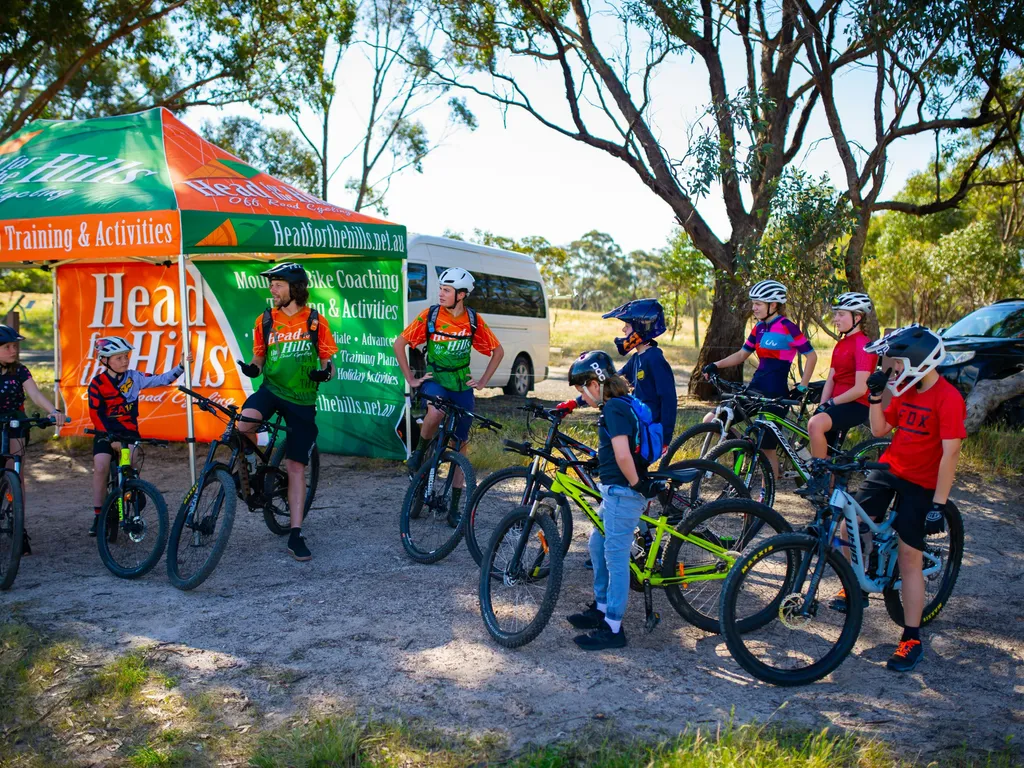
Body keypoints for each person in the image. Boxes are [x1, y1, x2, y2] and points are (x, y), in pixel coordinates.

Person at [852, 325, 965, 672]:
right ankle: (855, 583)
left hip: (923, 483)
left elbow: (950, 456)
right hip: (892, 468)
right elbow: (879, 430)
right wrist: (875, 398)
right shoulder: (906, 389)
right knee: (849, 523)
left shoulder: (948, 398)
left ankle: (912, 638)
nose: (892, 370)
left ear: (917, 362)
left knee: (908, 557)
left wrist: (939, 505)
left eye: (897, 364)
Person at [236, 262, 338, 562]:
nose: (272, 289)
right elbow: (259, 358)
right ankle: (260, 466)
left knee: (296, 466)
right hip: (272, 389)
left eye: (277, 284)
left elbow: (328, 362)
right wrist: (251, 368)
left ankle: (296, 533)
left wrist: (325, 374)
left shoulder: (316, 321)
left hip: (303, 399)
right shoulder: (266, 319)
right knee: (243, 425)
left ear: (295, 288)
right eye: (272, 284)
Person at [393, 268, 504, 525]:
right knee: (435, 412)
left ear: (461, 295)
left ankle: (454, 507)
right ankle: (419, 454)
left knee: (461, 444)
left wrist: (484, 381)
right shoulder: (430, 315)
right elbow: (399, 344)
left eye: (446, 290)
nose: (440, 294)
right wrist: (410, 378)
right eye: (440, 289)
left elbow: (497, 352)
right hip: (436, 380)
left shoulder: (473, 320)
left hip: (461, 384)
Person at [565, 350, 652, 651]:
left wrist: (637, 484)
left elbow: (623, 454)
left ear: (595, 383)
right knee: (597, 545)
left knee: (615, 558)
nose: (583, 398)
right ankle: (601, 609)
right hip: (614, 492)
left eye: (582, 391)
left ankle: (613, 628)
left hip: (623, 493)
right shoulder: (615, 405)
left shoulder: (614, 408)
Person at [701, 279, 817, 478]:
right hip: (754, 390)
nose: (753, 307)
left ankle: (766, 500)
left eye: (758, 304)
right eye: (753, 303)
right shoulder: (759, 328)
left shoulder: (788, 327)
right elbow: (741, 355)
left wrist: (803, 387)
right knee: (713, 419)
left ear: (773, 305)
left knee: (766, 449)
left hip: (776, 395)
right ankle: (741, 448)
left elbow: (812, 356)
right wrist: (715, 365)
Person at [88, 336, 190, 537]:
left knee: (130, 458)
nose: (125, 361)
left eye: (126, 356)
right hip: (104, 432)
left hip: (127, 433)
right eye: (118, 358)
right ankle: (99, 515)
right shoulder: (97, 383)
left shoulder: (134, 377)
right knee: (101, 466)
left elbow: (162, 379)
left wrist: (180, 366)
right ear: (105, 360)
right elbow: (94, 414)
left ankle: (132, 488)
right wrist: (110, 437)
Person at [557, 298, 677, 445]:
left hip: (649, 432)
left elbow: (669, 399)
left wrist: (665, 438)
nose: (623, 330)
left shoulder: (654, 359)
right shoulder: (637, 358)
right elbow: (608, 382)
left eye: (627, 325)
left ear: (640, 328)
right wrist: (575, 402)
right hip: (638, 426)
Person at [0, 324, 66, 553]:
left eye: (14, 346)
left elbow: (35, 394)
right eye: (7, 347)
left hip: (16, 424)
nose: (13, 350)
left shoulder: (20, 371)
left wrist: (53, 411)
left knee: (16, 475)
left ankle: (19, 527)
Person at [807, 292, 877, 459]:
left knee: (815, 425)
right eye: (835, 314)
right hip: (837, 403)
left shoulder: (863, 346)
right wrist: (823, 404)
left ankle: (818, 477)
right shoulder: (842, 343)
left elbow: (860, 389)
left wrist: (831, 402)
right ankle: (827, 482)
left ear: (857, 317)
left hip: (856, 404)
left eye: (841, 314)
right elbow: (832, 378)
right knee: (828, 450)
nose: (836, 319)